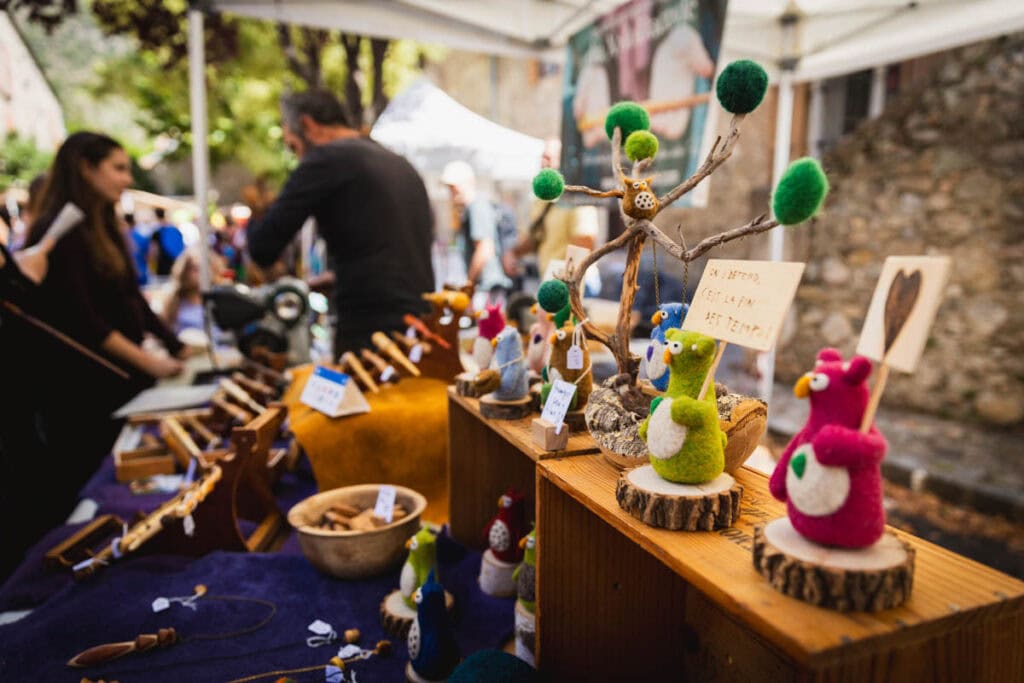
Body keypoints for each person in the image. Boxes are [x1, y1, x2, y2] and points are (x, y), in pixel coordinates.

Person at [18, 132, 186, 527]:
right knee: (95, 501)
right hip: (83, 395)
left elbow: (132, 298)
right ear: (85, 168)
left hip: (119, 383)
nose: (127, 179)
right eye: (118, 168)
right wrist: (150, 362)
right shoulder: (59, 231)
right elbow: (85, 322)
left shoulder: (103, 225)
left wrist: (174, 346)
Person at [246, 88, 434, 356]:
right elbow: (389, 249)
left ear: (307, 125)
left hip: (370, 333)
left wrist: (258, 206)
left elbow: (262, 247)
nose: (298, 157)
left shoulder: (325, 159)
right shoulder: (398, 162)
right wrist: (340, 275)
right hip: (418, 322)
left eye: (293, 146)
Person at [503, 139, 599, 281]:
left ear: (564, 160)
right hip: (551, 279)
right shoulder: (541, 200)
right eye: (542, 157)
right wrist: (513, 253)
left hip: (577, 281)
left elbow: (585, 240)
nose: (543, 162)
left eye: (548, 157)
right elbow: (534, 238)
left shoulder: (577, 197)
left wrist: (567, 278)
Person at [441, 160, 513, 303]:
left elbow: (485, 249)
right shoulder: (470, 208)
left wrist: (469, 284)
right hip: (485, 287)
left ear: (468, 183)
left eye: (454, 187)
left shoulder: (477, 206)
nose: (451, 192)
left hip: (487, 287)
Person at [152, 206, 185, 276]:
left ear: (155, 215)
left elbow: (154, 251)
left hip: (162, 266)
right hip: (176, 264)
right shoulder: (174, 229)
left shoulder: (157, 232)